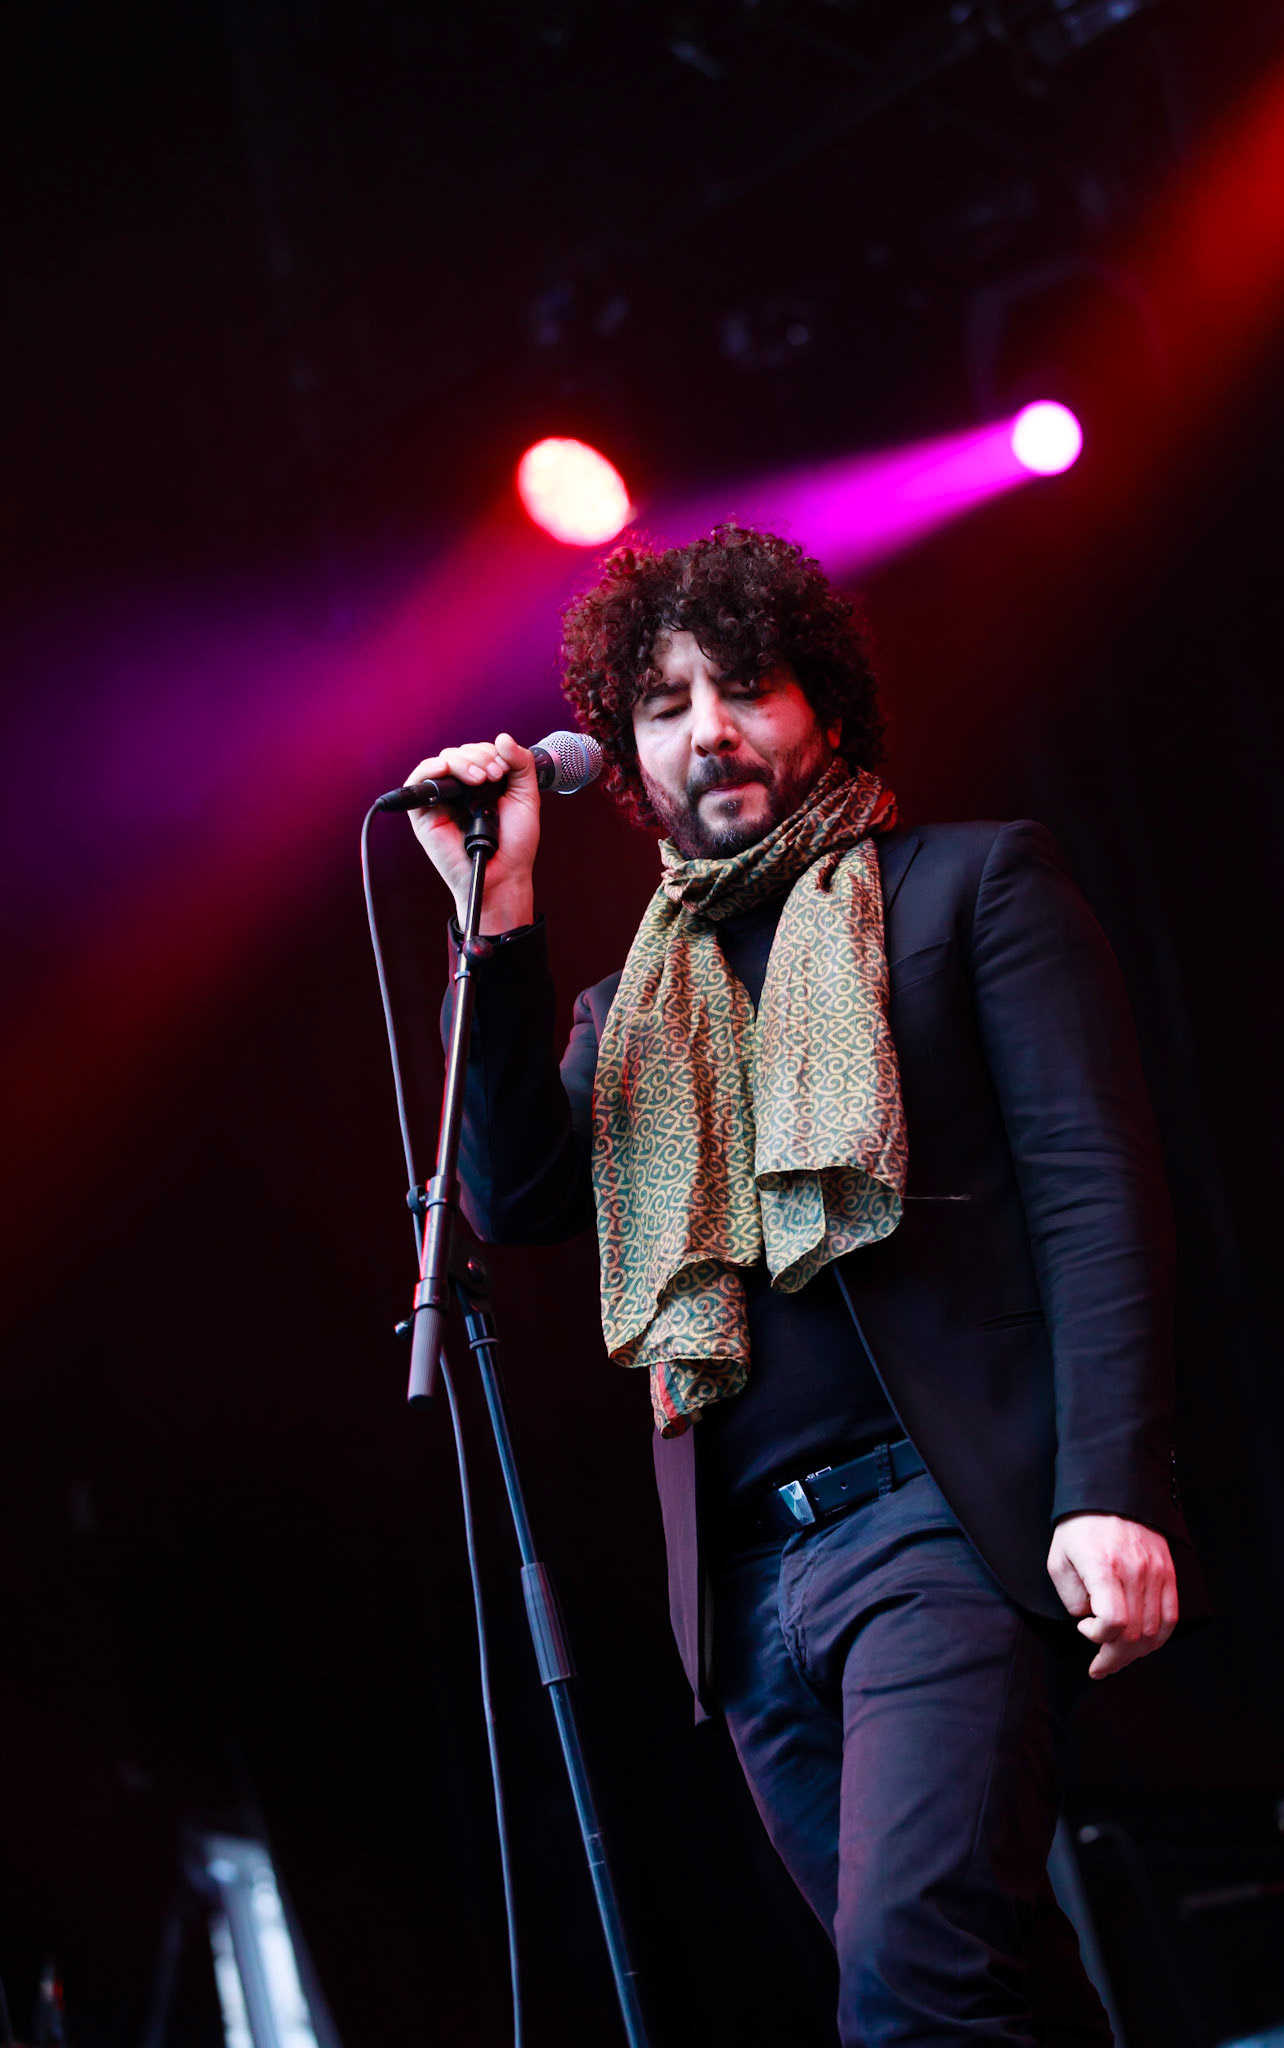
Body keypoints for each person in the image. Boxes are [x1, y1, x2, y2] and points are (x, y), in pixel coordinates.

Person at [406, 526, 1203, 2046]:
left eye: (747, 685)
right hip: (753, 1593)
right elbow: (514, 1194)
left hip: (940, 1529)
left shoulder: (968, 890)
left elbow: (1097, 1200)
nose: (707, 729)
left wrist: (1117, 1486)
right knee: (992, 1988)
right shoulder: (628, 1003)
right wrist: (494, 912)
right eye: (662, 702)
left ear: (821, 701)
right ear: (623, 753)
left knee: (906, 1987)